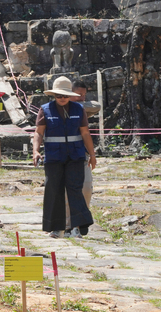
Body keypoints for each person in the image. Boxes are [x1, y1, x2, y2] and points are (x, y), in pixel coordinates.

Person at [32, 75, 97, 239]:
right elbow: (39, 133)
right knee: (54, 190)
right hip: (54, 157)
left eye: (65, 95)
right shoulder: (45, 110)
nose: (62, 98)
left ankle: (76, 228)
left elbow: (85, 133)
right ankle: (56, 228)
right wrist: (35, 151)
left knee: (76, 190)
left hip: (75, 155)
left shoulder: (78, 109)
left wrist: (92, 154)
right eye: (59, 95)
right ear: (54, 95)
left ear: (70, 95)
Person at [65, 80, 94, 231]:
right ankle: (68, 225)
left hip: (81, 154)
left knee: (86, 188)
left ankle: (81, 222)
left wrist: (92, 154)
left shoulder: (82, 108)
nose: (82, 97)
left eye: (84, 95)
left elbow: (95, 106)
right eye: (79, 94)